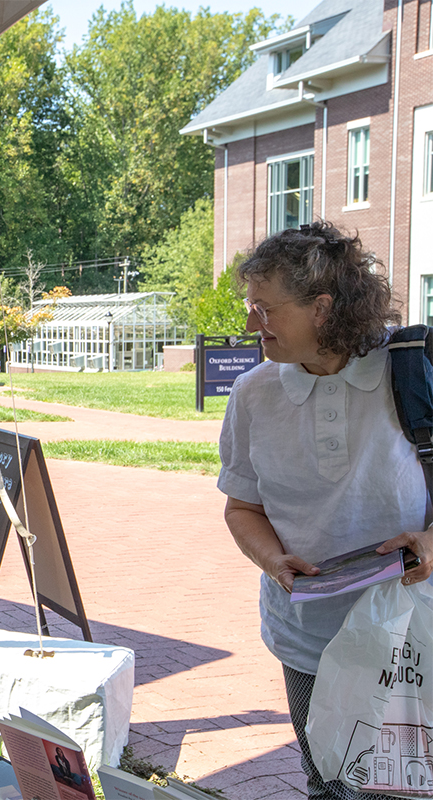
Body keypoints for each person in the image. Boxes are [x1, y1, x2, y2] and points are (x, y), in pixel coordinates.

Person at [219, 221, 429, 800]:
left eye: (264, 308)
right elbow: (243, 507)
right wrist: (273, 561)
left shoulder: (414, 372)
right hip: (308, 636)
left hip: (416, 634)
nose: (249, 324)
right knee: (332, 782)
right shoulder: (254, 393)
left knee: (413, 784)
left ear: (322, 307)